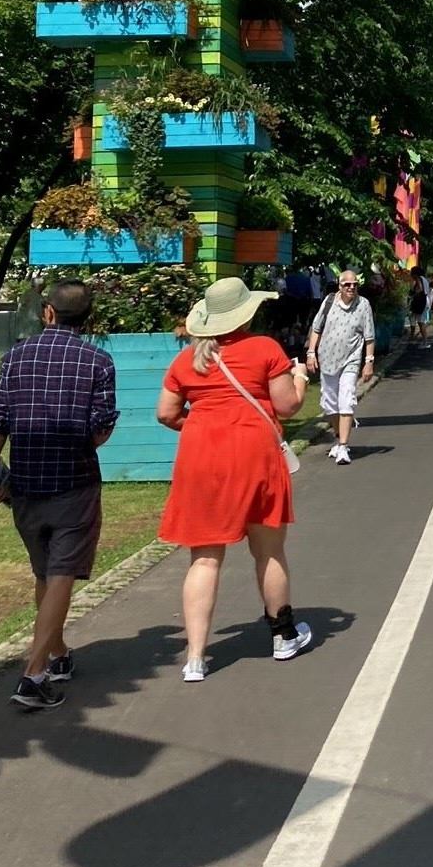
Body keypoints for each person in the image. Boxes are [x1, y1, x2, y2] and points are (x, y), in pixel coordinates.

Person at [156, 277, 312, 680]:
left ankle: (194, 658)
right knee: (268, 550)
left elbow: (166, 413)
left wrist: (202, 423)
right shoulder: (264, 349)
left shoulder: (186, 361)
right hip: (254, 455)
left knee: (204, 558)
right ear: (246, 312)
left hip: (202, 458)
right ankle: (283, 635)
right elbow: (288, 406)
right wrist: (299, 379)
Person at [0, 278, 118, 710]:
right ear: (89, 317)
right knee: (61, 575)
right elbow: (100, 430)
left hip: (25, 483)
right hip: (74, 481)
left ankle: (57, 655)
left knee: (45, 574)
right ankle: (33, 675)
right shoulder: (98, 360)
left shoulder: (14, 357)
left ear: (48, 313)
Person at [305, 269, 376, 465]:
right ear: (340, 286)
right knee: (329, 405)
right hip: (327, 359)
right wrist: (311, 353)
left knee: (346, 400)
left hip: (350, 360)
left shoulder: (363, 305)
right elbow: (316, 328)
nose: (351, 287)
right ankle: (338, 435)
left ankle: (344, 446)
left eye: (354, 284)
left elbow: (369, 336)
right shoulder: (329, 301)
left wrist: (368, 362)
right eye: (347, 285)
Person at [407, 268, 429, 341]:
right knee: (420, 321)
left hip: (420, 301)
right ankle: (423, 340)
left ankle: (425, 341)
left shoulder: (419, 279)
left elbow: (420, 289)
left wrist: (413, 294)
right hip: (424, 300)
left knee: (420, 322)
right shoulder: (424, 279)